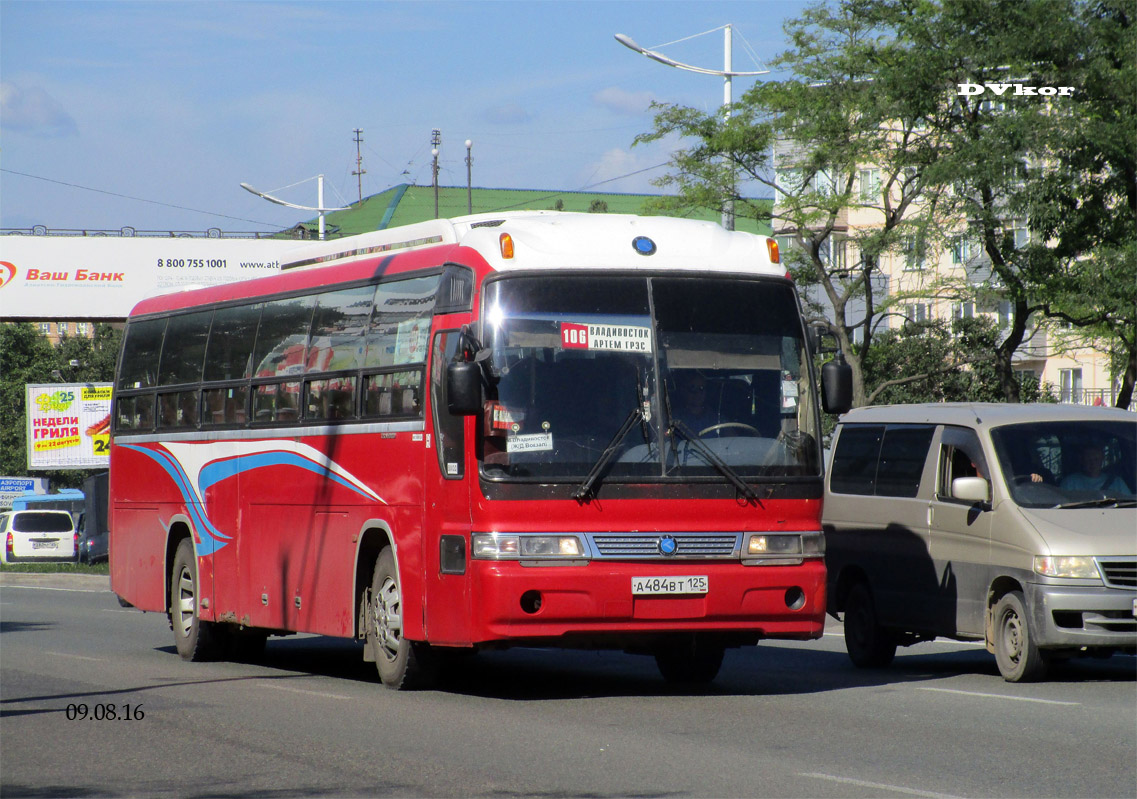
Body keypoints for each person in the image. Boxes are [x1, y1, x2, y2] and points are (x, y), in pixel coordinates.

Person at [1060, 442, 1128, 493]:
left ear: (1102, 459)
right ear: (1082, 460)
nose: (1093, 463)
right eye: (1088, 459)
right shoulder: (1069, 483)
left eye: (1096, 459)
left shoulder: (1117, 482)